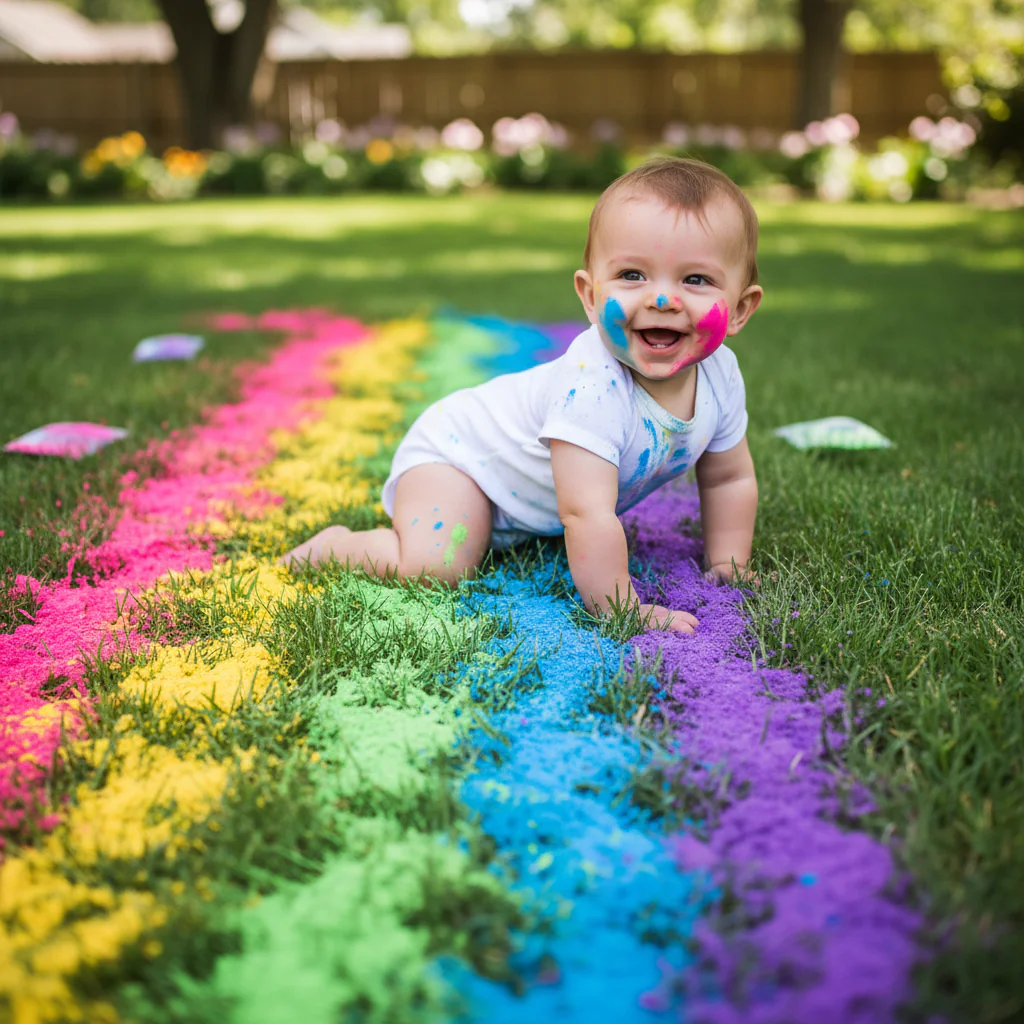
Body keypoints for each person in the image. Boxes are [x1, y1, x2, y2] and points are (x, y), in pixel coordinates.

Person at [281, 156, 763, 633]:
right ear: (590, 296)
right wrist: (623, 609)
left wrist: (728, 562)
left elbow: (728, 478)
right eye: (633, 275)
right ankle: (340, 547)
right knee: (437, 567)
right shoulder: (592, 386)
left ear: (741, 309)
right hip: (459, 462)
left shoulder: (720, 376)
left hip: (526, 502)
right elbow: (586, 512)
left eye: (695, 280)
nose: (662, 299)